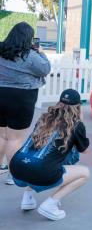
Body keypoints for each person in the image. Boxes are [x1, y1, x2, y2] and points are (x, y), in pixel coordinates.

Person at [9, 89, 90, 221]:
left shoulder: (44, 118)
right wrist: (81, 123)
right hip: (40, 173)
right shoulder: (76, 125)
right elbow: (84, 149)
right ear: (78, 107)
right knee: (85, 173)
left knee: (40, 156)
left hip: (16, 167)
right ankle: (51, 204)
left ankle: (28, 197)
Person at [0, 22, 51, 185]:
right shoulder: (30, 55)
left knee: (1, 135)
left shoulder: (1, 49)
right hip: (21, 98)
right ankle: (13, 175)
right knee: (15, 139)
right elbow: (45, 69)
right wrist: (42, 52)